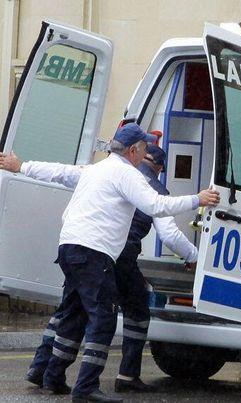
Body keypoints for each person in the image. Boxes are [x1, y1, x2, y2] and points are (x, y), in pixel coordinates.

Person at [0, 123, 220, 403]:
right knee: (103, 318)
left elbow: (60, 172)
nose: (145, 152)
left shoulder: (97, 169)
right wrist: (197, 199)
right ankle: (85, 388)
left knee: (73, 313)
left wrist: (22, 166)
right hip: (94, 252)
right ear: (133, 150)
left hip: (69, 247)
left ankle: (52, 376)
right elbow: (156, 206)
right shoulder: (127, 174)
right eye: (143, 147)